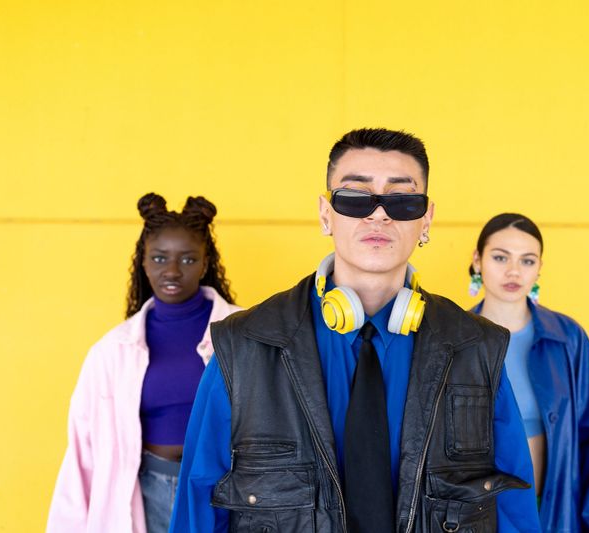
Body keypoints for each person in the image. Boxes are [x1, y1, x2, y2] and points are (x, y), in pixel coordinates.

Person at [170, 128, 541, 533]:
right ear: (326, 214)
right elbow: (198, 507)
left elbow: (514, 510)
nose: (378, 214)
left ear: (426, 219)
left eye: (402, 200)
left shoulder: (479, 349)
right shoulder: (241, 347)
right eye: (355, 197)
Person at [47, 193, 242, 533]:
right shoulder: (112, 350)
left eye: (187, 260)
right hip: (146, 488)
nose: (171, 271)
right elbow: (83, 453)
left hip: (224, 486)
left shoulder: (245, 334)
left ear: (205, 262)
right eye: (159, 258)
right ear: (143, 261)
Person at [468, 213, 589, 532]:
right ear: (477, 261)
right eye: (500, 257)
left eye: (527, 261)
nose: (513, 271)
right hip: (481, 517)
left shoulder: (567, 339)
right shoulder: (455, 340)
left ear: (539, 268)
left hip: (552, 514)